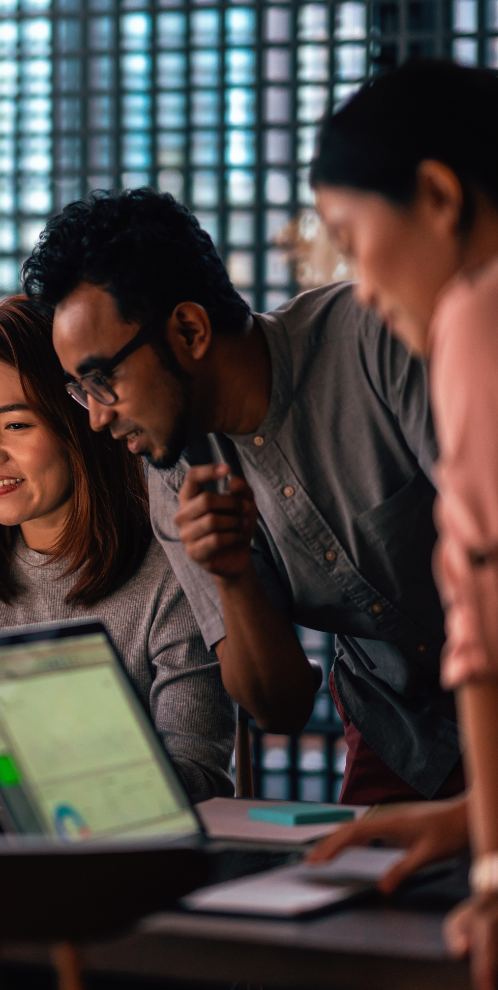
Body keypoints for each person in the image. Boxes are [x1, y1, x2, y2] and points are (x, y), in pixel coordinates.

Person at [24, 187, 459, 807]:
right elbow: (277, 707)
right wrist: (231, 577)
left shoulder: (375, 344)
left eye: (102, 379)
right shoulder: (174, 478)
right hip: (407, 743)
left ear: (190, 329)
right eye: (78, 391)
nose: (95, 418)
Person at [0, 295, 234, 990]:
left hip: (146, 911)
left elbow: (200, 769)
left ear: (85, 421)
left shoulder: (169, 565)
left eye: (16, 424)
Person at [299, 60, 498, 990]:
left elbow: (485, 633)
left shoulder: (478, 314)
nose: (358, 287)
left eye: (350, 238)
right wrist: (466, 821)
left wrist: (493, 873)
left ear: (437, 196)